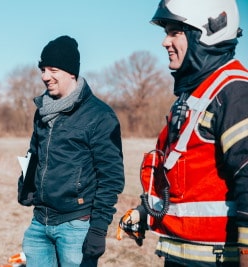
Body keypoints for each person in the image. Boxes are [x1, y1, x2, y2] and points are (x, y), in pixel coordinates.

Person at [116, 0, 248, 266]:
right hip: (183, 255)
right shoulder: (194, 96)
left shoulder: (235, 93)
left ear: (208, 32)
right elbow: (189, 183)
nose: (165, 42)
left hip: (220, 259)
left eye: (175, 32)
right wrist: (147, 212)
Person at [17, 35, 125, 267]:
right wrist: (26, 184)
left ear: (71, 72)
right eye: (43, 69)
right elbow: (33, 153)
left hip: (77, 226)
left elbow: (112, 177)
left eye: (52, 69)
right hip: (39, 223)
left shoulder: (99, 115)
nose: (45, 76)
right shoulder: (43, 111)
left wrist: (98, 229)